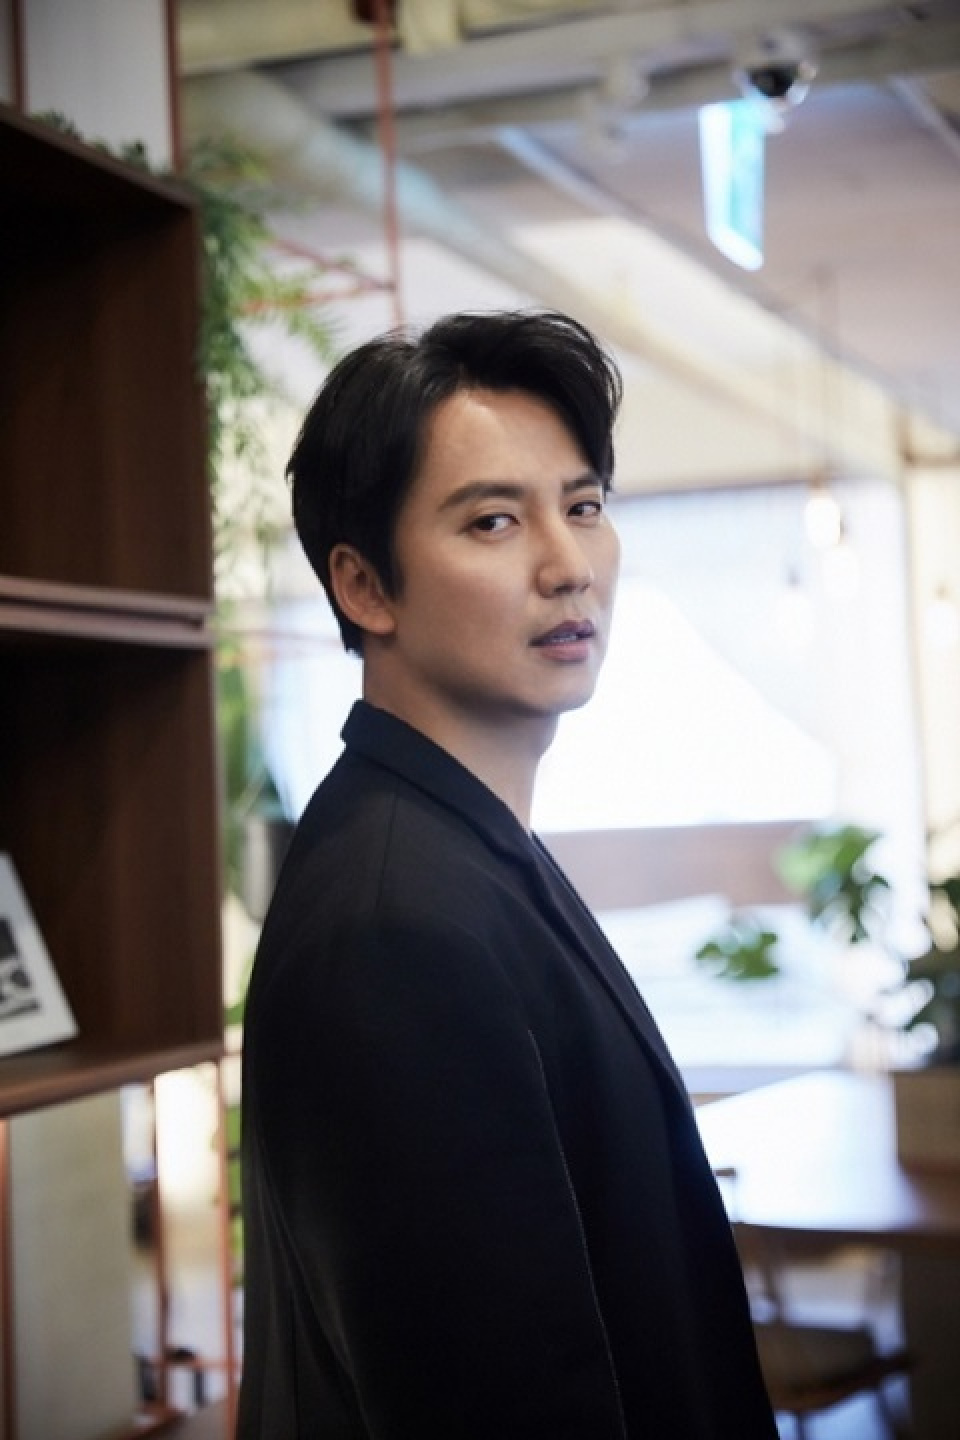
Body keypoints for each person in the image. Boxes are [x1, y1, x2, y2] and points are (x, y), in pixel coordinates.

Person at [237, 309, 777, 1439]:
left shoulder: (460, 846)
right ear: (364, 587)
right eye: (492, 520)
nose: (568, 566)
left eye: (582, 507)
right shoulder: (395, 926)